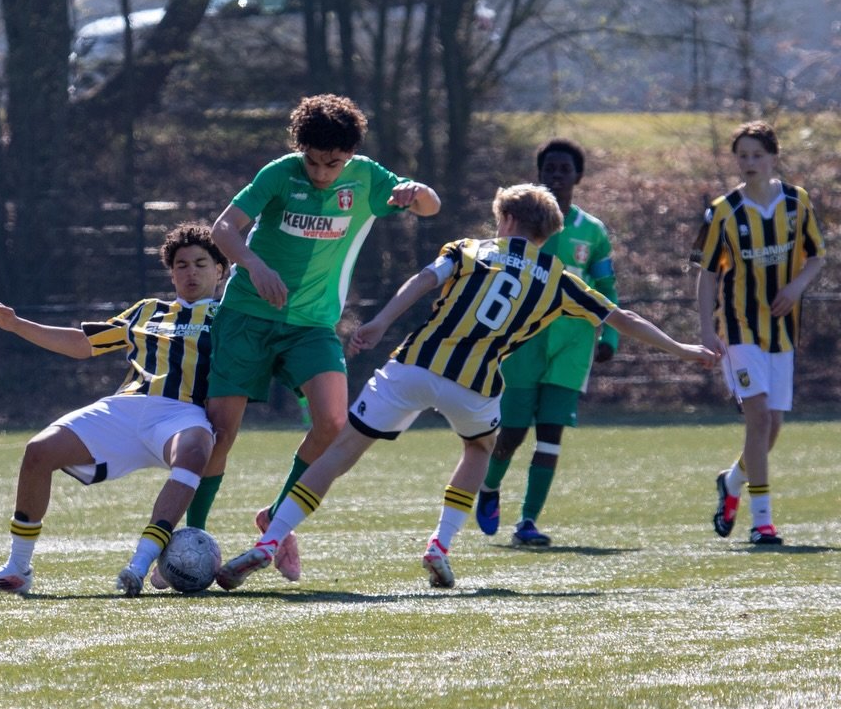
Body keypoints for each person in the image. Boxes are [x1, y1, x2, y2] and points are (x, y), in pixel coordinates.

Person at [215, 184, 718, 591]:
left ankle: (271, 540)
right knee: (480, 448)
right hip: (473, 386)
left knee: (343, 450)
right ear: (548, 232)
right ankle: (440, 544)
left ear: (505, 221)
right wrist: (685, 350)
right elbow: (621, 316)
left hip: (413, 366)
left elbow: (422, 281)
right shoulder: (559, 277)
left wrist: (380, 323)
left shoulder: (469, 250)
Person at [188, 93, 441, 582]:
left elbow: (430, 206)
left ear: (349, 156)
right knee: (221, 434)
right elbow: (224, 229)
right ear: (299, 148)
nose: (323, 173)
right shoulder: (279, 174)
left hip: (312, 325)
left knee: (331, 421)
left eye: (334, 163)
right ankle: (192, 540)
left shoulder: (367, 177)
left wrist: (415, 191)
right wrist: (255, 266)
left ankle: (275, 521)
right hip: (246, 316)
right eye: (314, 161)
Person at [0, 222, 226, 597]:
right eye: (181, 265)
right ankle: (17, 569)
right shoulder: (148, 311)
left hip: (182, 413)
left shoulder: (231, 317)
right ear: (171, 274)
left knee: (195, 449)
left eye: (201, 263)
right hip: (124, 408)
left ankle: (140, 564)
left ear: (220, 270)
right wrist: (15, 324)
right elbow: (83, 344)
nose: (191, 272)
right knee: (39, 451)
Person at [475, 139, 619, 546]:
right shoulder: (521, 226)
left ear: (578, 176)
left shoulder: (592, 231)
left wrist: (609, 335)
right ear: (540, 174)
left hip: (571, 348)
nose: (557, 175)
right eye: (550, 169)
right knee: (512, 433)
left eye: (564, 169)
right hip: (523, 343)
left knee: (551, 434)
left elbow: (607, 286)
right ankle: (489, 488)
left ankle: (527, 522)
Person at [697, 121, 826, 546]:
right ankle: (762, 522)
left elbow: (816, 257)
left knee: (772, 424)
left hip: (782, 329)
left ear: (774, 157)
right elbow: (707, 274)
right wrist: (706, 326)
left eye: (757, 155)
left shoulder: (796, 202)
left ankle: (732, 481)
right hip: (738, 328)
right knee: (757, 417)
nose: (749, 163)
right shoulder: (723, 210)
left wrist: (795, 287)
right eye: (742, 156)